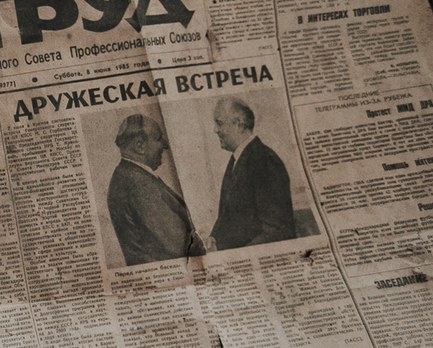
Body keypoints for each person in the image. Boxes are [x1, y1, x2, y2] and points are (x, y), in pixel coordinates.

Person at [108, 113, 204, 265]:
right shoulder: (139, 184)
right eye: (159, 139)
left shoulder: (126, 175)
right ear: (140, 146)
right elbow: (179, 245)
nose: (165, 145)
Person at [209, 97, 295, 250]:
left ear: (240, 125)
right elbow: (227, 216)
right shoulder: (238, 159)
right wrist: (213, 239)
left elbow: (277, 230)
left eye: (219, 123)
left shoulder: (265, 160)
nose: (215, 130)